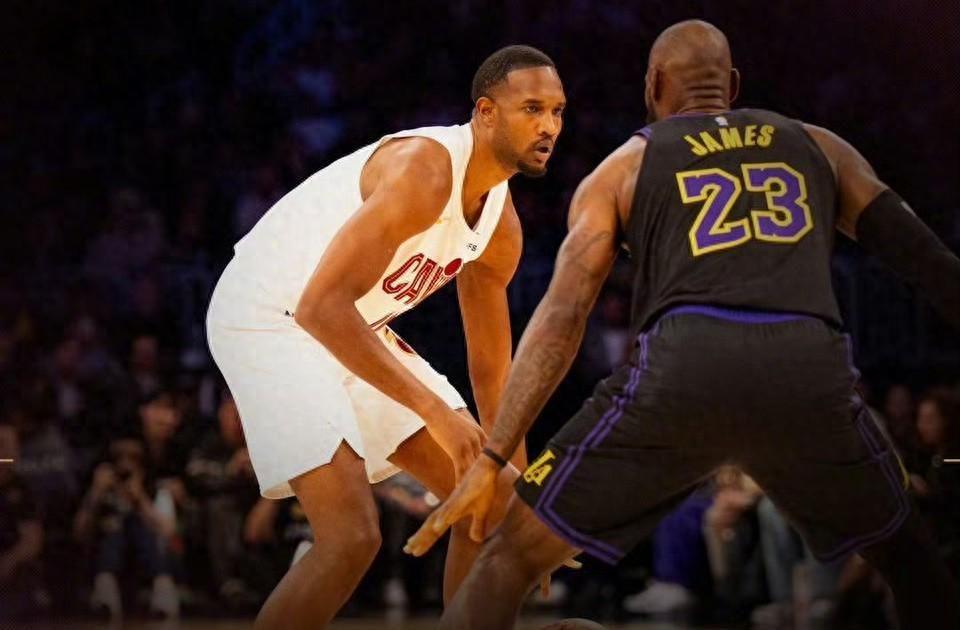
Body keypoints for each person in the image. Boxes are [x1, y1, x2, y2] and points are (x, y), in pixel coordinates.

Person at [405, 20, 960, 630]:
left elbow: (561, 320)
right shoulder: (819, 145)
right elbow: (929, 262)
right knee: (914, 562)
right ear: (732, 85)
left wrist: (492, 456)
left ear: (654, 86)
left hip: (683, 369)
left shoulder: (623, 168)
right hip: (806, 368)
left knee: (507, 557)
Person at [206, 45, 566, 628]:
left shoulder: (501, 227)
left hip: (347, 323)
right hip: (271, 314)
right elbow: (319, 307)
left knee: (491, 503)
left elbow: (493, 372)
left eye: (556, 111)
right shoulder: (424, 170)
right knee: (350, 536)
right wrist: (436, 412)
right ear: (486, 113)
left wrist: (514, 496)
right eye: (532, 108)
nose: (548, 126)